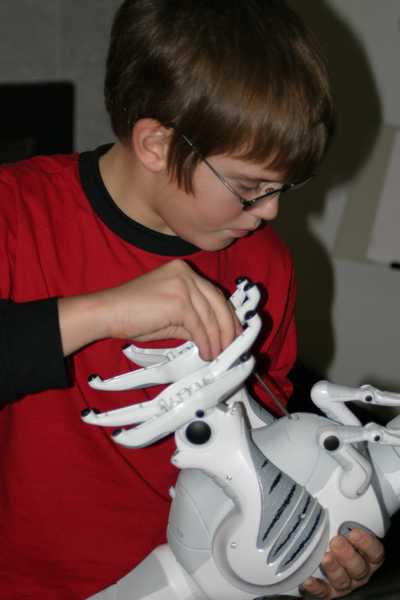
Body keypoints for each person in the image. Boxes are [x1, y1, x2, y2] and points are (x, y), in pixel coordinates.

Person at [0, 1, 384, 598]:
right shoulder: (16, 215)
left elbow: (271, 447)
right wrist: (105, 311)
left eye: (283, 187)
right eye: (250, 187)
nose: (270, 211)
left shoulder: (265, 261)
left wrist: (312, 551)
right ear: (155, 144)